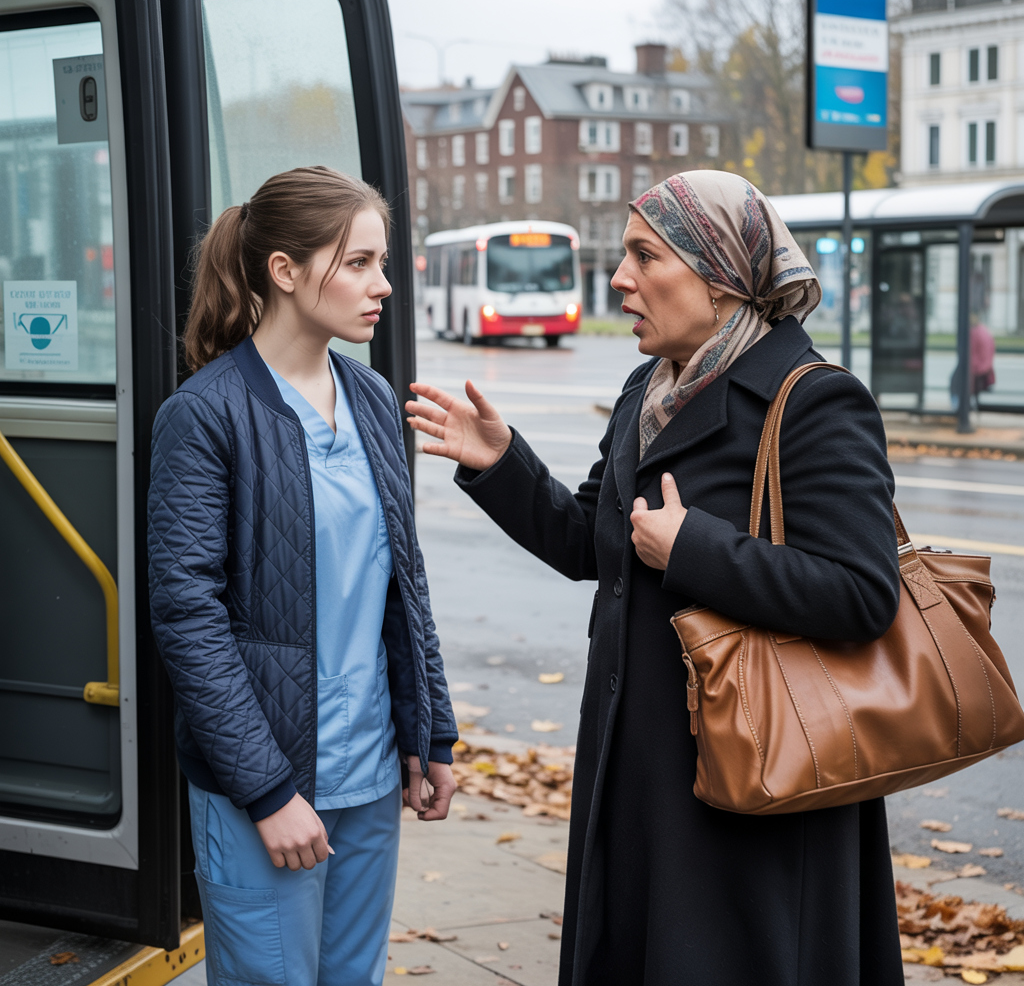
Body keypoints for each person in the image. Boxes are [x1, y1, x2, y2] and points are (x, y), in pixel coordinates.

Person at [406, 170, 904, 986]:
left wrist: (695, 551)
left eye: (644, 255)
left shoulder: (814, 401)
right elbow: (591, 542)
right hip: (641, 780)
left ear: (718, 276)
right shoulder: (650, 387)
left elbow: (861, 594)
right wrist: (501, 462)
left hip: (756, 791)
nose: (618, 279)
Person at [148, 166, 457, 986]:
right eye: (357, 263)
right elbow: (187, 616)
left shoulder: (372, 397)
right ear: (283, 271)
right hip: (268, 783)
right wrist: (267, 792)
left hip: (368, 773)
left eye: (381, 262)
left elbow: (404, 582)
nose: (381, 284)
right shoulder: (205, 414)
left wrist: (433, 734)